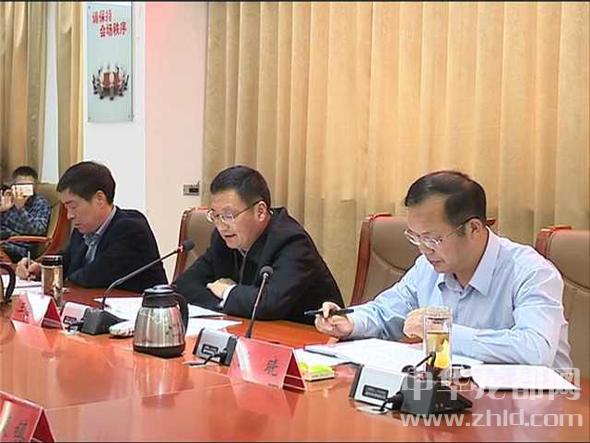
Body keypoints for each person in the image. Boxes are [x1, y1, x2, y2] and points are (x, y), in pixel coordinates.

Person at [315, 171, 572, 369]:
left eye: (433, 239)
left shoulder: (531, 272)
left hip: (532, 409)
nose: (423, 249)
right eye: (415, 237)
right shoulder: (429, 267)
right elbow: (385, 313)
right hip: (454, 398)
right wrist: (349, 322)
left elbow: (535, 349)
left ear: (473, 229)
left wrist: (443, 334)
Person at [173, 165, 344, 325]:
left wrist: (227, 292)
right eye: (215, 216)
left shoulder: (292, 242)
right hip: (251, 332)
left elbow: (268, 305)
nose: (221, 226)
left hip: (308, 338)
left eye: (228, 215)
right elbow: (183, 286)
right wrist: (224, 302)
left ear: (260, 211)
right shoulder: (223, 239)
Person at [16, 161, 167, 292]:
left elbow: (92, 276)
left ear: (99, 199)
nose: (69, 216)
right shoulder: (83, 230)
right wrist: (39, 268)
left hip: (138, 313)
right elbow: (65, 261)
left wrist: (57, 274)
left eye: (73, 206)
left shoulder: (131, 229)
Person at [0, 166, 51, 262]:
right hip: (3, 240)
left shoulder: (40, 203)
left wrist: (21, 209)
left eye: (28, 186)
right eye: (20, 186)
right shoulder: (7, 198)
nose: (23, 190)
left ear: (35, 187)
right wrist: (2, 210)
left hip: (21, 247)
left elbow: (38, 230)